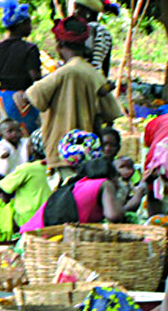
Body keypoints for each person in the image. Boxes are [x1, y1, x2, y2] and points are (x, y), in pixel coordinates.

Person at [14, 15, 122, 187]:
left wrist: (20, 95)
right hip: (88, 157)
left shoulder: (61, 73)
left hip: (60, 154)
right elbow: (111, 114)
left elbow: (31, 97)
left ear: (60, 45)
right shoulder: (95, 75)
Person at [19, 130, 124, 231]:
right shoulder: (104, 184)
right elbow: (114, 216)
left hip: (34, 231)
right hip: (37, 235)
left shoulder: (78, 183)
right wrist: (126, 194)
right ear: (113, 176)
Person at [0, 0, 41, 140]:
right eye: (28, 23)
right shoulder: (30, 49)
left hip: (2, 100)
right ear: (20, 25)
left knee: (1, 140)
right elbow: (34, 77)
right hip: (23, 100)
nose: (30, 27)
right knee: (24, 140)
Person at [0, 129, 51, 242]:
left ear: (32, 149)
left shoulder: (27, 169)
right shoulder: (52, 167)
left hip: (27, 218)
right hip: (48, 215)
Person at [73, 0, 120, 77]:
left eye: (78, 10)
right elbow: (105, 66)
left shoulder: (89, 30)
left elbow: (85, 59)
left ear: (88, 13)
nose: (75, 14)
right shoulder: (105, 33)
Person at [0, 118, 28, 186]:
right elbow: (2, 152)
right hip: (5, 175)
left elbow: (28, 141)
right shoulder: (1, 145)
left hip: (19, 174)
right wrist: (4, 154)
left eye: (18, 131)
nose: (14, 133)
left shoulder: (22, 142)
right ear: (2, 134)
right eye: (10, 131)